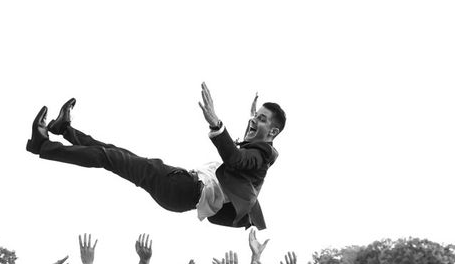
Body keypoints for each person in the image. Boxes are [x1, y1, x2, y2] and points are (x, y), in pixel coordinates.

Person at [26, 83, 285, 230]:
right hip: (181, 188)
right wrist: (253, 118)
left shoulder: (259, 158)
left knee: (109, 157)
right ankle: (65, 129)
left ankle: (43, 146)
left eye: (261, 120)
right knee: (115, 154)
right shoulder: (257, 153)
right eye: (254, 116)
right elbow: (245, 152)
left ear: (273, 132)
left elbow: (238, 159)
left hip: (183, 188)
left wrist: (217, 124)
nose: (253, 121)